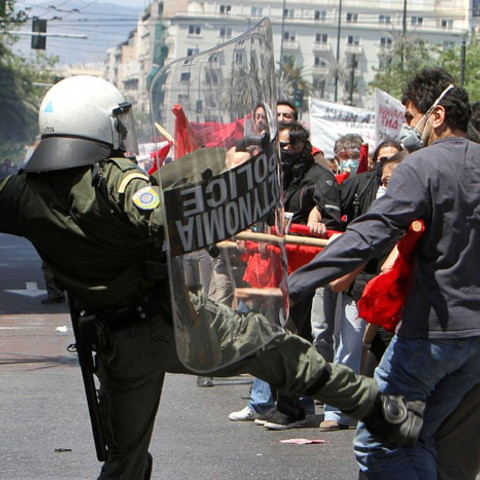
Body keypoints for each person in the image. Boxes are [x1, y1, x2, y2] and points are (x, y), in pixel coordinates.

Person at [0, 75, 421, 479]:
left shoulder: (21, 192)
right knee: (279, 349)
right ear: (93, 122)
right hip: (172, 324)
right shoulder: (113, 178)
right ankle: (382, 410)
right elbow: (164, 220)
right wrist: (216, 186)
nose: (122, 133)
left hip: (114, 343)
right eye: (116, 122)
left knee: (124, 461)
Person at [287, 67, 480, 478]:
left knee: (377, 438)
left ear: (438, 115)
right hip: (472, 345)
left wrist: (296, 283)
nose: (409, 128)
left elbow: (370, 233)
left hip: (429, 341)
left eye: (411, 117)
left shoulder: (421, 166)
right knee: (416, 433)